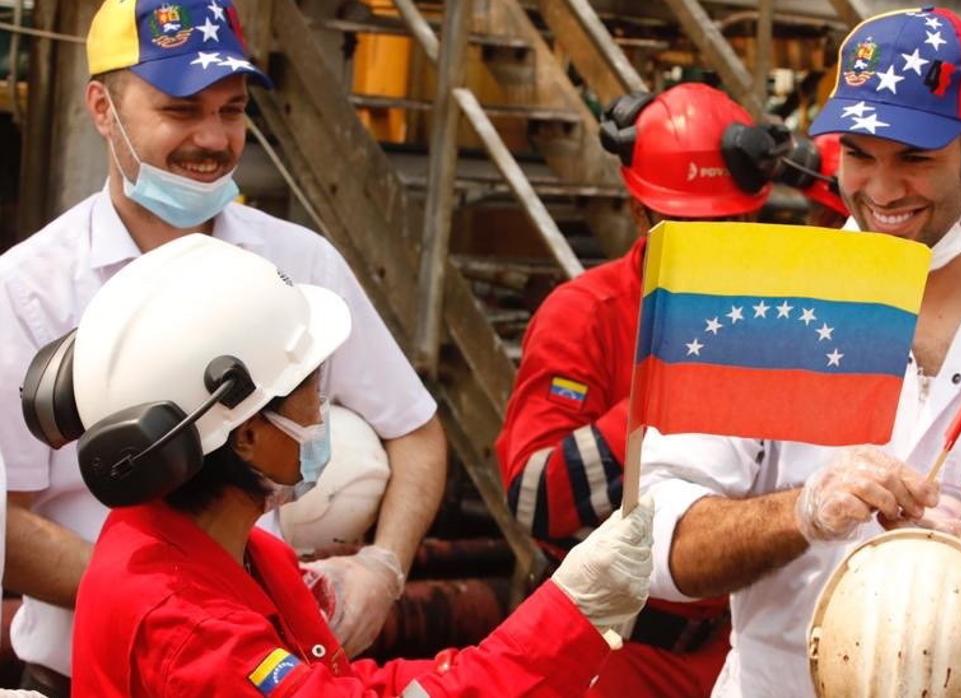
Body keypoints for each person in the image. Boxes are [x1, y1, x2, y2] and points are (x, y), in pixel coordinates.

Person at [638, 8, 961, 698]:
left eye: (916, 158)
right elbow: (657, 539)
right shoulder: (766, 297)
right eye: (859, 154)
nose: (881, 191)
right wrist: (802, 513)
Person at [0, 0, 447, 691]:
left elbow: (415, 434)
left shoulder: (303, 263)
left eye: (232, 110)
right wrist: (180, 608)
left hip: (276, 670)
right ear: (101, 108)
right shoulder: (28, 290)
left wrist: (382, 569)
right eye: (180, 111)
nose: (213, 139)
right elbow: (6, 524)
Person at [28, 233, 654, 697]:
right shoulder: (188, 628)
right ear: (245, 436)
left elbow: (346, 684)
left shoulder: (234, 554)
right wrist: (572, 614)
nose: (322, 407)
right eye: (307, 386)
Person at [494, 82, 783, 696]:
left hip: (743, 651)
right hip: (618, 650)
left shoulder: (784, 313)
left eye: (731, 225)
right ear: (640, 214)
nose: (714, 246)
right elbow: (532, 498)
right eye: (688, 227)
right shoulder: (586, 313)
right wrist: (666, 393)